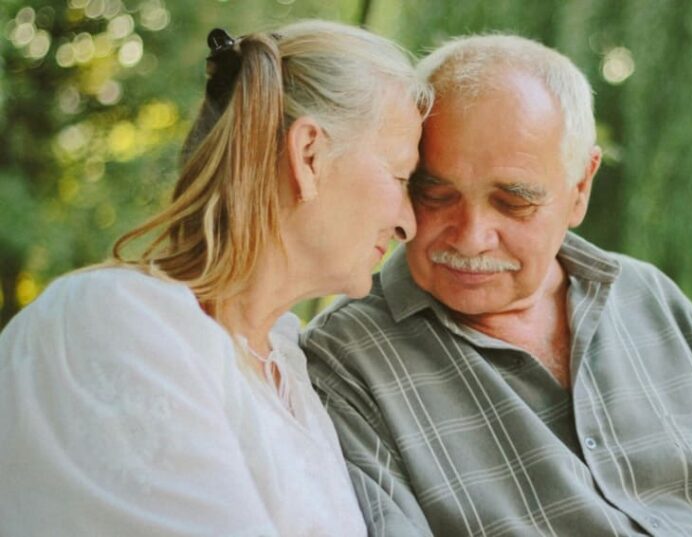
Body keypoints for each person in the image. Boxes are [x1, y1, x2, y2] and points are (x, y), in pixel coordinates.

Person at [302, 34, 692, 537]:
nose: (472, 237)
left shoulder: (647, 297)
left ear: (580, 189)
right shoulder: (348, 358)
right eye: (435, 194)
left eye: (513, 201)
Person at [0, 20, 432, 536]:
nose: (410, 222)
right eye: (401, 177)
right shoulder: (115, 322)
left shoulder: (286, 371)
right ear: (309, 155)